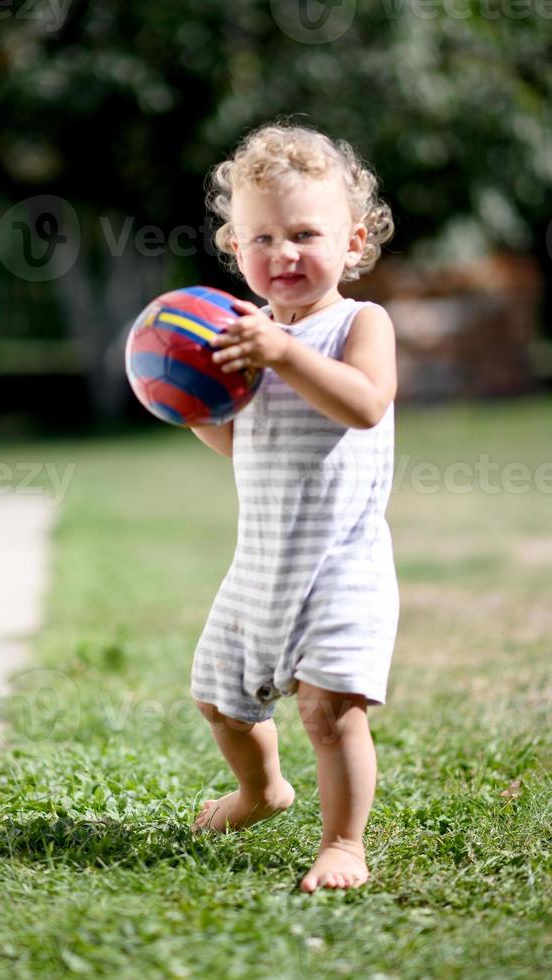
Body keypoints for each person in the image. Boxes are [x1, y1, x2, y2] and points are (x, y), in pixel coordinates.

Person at [189, 119, 399, 893]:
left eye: (305, 233)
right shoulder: (249, 342)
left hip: (341, 563)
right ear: (235, 249)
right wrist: (194, 409)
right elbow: (250, 448)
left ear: (353, 241)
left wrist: (284, 353)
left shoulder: (358, 324)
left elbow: (366, 404)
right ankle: (260, 790)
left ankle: (344, 844)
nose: (282, 253)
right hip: (261, 563)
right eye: (261, 238)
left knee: (330, 711)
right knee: (219, 700)